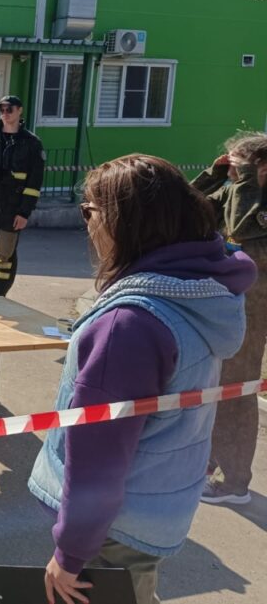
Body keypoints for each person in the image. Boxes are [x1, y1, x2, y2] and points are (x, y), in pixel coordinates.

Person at [28, 155, 255, 604]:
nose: (87, 224)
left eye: (89, 211)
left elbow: (98, 459)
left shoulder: (127, 327)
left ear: (125, 222)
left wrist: (71, 554)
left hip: (114, 528)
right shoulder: (199, 290)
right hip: (157, 505)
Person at [191, 132, 267, 505]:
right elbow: (188, 208)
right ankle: (211, 461)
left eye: (239, 165)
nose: (233, 171)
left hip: (254, 310)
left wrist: (247, 181)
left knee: (237, 392)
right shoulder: (236, 190)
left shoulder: (254, 198)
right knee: (214, 387)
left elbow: (240, 230)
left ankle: (234, 482)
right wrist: (214, 174)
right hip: (225, 303)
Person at [0, 95, 45, 296]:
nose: (4, 113)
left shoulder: (32, 143)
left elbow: (34, 183)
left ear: (19, 110)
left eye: (9, 109)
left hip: (12, 209)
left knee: (5, 254)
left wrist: (24, 212)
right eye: (1, 110)